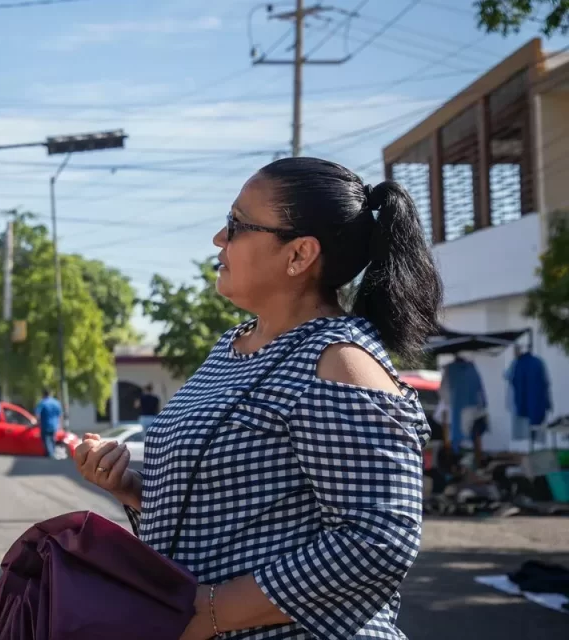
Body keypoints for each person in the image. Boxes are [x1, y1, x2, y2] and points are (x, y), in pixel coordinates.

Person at [75, 157, 441, 639]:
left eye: (236, 225)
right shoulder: (233, 347)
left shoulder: (338, 361)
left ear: (299, 255)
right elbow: (237, 515)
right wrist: (134, 490)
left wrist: (210, 612)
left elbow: (377, 540)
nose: (219, 240)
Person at [34, 389, 62, 457]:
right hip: (54, 425)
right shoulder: (56, 403)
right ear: (50, 394)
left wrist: (37, 422)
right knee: (52, 439)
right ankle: (52, 453)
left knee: (46, 440)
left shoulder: (42, 402)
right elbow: (60, 415)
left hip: (45, 425)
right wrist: (60, 424)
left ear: (43, 395)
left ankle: (50, 455)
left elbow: (37, 414)